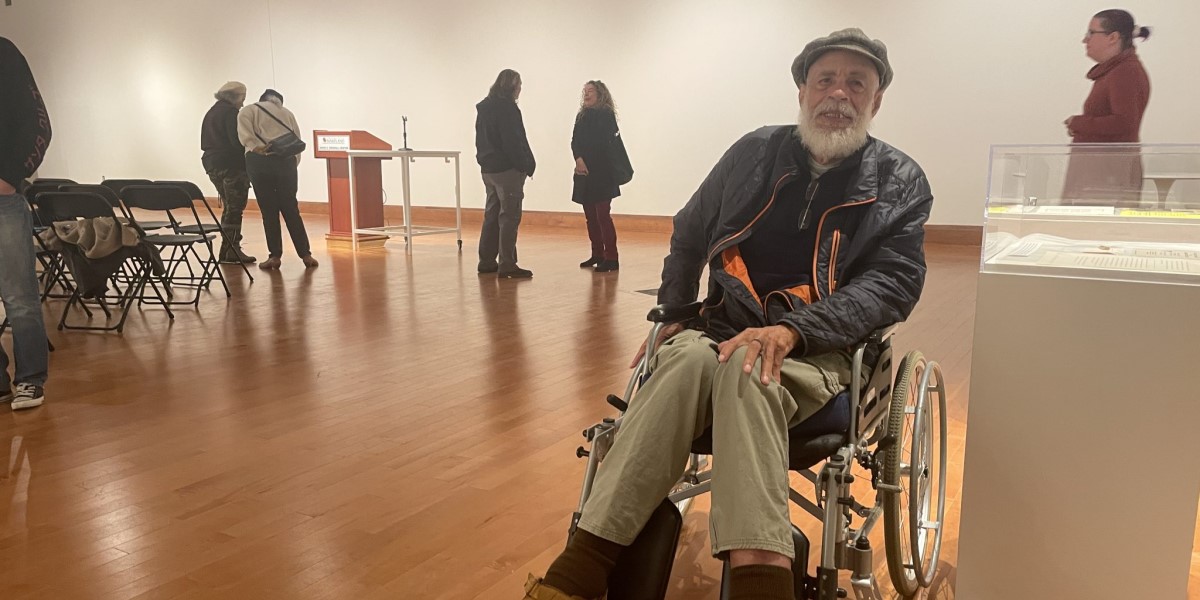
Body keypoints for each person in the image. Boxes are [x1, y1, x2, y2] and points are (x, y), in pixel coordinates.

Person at [522, 28, 932, 600]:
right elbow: (689, 231)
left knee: (746, 367)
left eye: (856, 83)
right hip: (718, 329)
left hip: (815, 350)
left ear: (876, 100)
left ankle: (753, 582)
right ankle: (577, 576)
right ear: (802, 90)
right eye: (826, 80)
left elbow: (892, 283)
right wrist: (672, 309)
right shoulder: (752, 153)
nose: (839, 94)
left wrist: (793, 330)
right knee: (687, 360)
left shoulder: (900, 180)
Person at [0, 37, 52, 411]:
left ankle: (30, 379)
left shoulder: (4, 53)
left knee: (19, 297)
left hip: (3, 200)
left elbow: (39, 124)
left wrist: (12, 176)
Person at [1062, 9, 1151, 206]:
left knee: (1097, 234)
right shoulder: (1116, 71)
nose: (1085, 40)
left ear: (1113, 37)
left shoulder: (1126, 72)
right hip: (1100, 173)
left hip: (1108, 177)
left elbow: (1124, 123)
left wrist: (1078, 123)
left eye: (1091, 33)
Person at [238, 89, 317, 270]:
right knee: (291, 208)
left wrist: (259, 149)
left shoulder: (248, 110)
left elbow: (246, 138)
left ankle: (275, 256)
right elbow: (296, 142)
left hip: (259, 162)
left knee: (269, 210)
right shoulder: (287, 113)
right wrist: (290, 165)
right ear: (278, 102)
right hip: (286, 163)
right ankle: (306, 254)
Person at [475, 69, 536, 279]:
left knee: (491, 215)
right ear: (511, 86)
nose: (520, 90)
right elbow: (513, 141)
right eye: (518, 85)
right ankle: (507, 263)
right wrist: (525, 164)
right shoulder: (508, 109)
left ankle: (486, 260)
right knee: (510, 217)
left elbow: (481, 139)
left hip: (488, 170)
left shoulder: (484, 108)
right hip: (507, 170)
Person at [201, 81, 256, 264]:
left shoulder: (212, 112)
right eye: (242, 99)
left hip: (212, 163)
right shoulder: (231, 113)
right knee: (235, 208)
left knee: (229, 206)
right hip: (231, 165)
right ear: (234, 97)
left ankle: (228, 249)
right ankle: (231, 249)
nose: (242, 104)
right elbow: (236, 142)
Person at [571, 81, 622, 273]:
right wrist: (579, 159)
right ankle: (597, 254)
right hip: (585, 172)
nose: (586, 94)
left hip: (603, 173)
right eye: (584, 91)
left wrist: (592, 161)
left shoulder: (606, 115)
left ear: (599, 94)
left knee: (602, 215)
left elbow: (608, 144)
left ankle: (612, 257)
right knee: (590, 217)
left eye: (590, 91)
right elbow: (575, 140)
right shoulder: (581, 116)